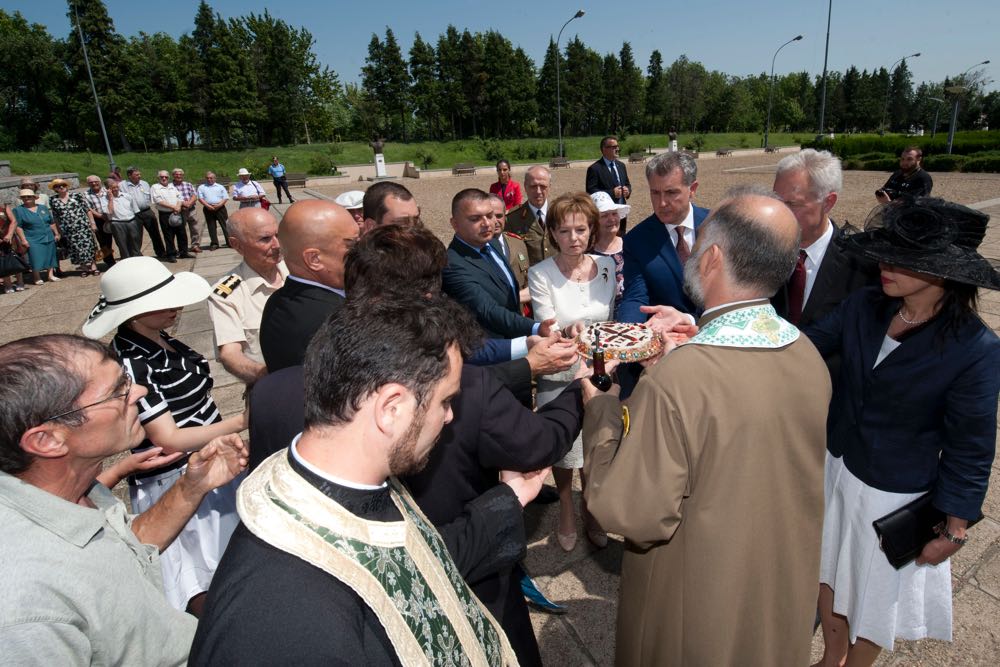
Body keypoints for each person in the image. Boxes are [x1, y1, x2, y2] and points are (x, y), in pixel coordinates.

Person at [244, 224, 581, 665]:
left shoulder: (269, 397)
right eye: (443, 404)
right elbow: (537, 446)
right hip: (469, 587)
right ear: (428, 295)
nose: (448, 414)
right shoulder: (461, 386)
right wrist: (581, 393)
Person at [190, 295, 525, 665]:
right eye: (445, 402)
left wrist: (508, 500)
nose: (448, 418)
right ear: (391, 408)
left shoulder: (349, 480)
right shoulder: (285, 617)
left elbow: (413, 569)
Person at [582, 191, 831, 666]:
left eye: (699, 247)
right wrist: (695, 338)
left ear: (712, 257)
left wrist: (602, 409)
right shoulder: (805, 351)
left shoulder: (678, 381)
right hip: (775, 587)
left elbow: (629, 511)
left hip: (695, 603)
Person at [804, 198, 1000, 667]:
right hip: (838, 464)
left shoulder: (975, 348)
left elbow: (970, 446)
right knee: (827, 569)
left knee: (873, 595)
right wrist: (728, 331)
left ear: (943, 272)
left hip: (893, 492)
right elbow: (802, 343)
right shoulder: (864, 304)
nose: (885, 265)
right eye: (886, 253)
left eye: (903, 259)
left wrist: (954, 529)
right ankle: (831, 658)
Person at [0, 333, 247, 665]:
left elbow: (127, 548)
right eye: (118, 392)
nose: (141, 392)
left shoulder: (71, 490)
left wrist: (192, 487)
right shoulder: (26, 613)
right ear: (47, 440)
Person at [81, 257, 248, 613]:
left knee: (228, 564)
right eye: (161, 305)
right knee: (204, 576)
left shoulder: (154, 337)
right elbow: (167, 437)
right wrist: (240, 422)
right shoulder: (132, 361)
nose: (174, 308)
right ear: (134, 313)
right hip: (178, 475)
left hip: (208, 462)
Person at [529, 192, 616, 552]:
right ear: (552, 233)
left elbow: (615, 320)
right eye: (564, 231)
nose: (574, 237)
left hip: (604, 369)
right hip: (560, 369)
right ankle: (566, 504)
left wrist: (610, 361)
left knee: (598, 445)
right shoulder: (540, 273)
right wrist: (565, 331)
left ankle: (591, 506)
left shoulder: (608, 267)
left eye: (581, 229)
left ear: (592, 230)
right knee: (565, 447)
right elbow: (544, 325)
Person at [772, 149, 878, 329]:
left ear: (828, 202)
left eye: (792, 204)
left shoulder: (862, 267)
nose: (778, 212)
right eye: (775, 200)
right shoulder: (760, 250)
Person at [259, 200, 359, 372]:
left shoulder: (276, 302)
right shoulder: (340, 320)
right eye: (352, 244)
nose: (362, 250)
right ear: (314, 259)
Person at [443, 188, 556, 339]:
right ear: (455, 224)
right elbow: (488, 310)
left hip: (516, 333)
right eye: (475, 219)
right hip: (491, 348)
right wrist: (535, 327)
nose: (487, 223)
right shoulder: (452, 264)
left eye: (490, 216)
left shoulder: (493, 243)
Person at [617, 150, 709, 323]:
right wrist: (628, 333)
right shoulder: (636, 241)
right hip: (669, 338)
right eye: (655, 193)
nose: (662, 203)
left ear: (692, 189)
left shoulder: (719, 226)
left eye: (671, 192)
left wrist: (691, 320)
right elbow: (636, 299)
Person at [208, 207, 287, 384]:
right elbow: (230, 355)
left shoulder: (298, 270)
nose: (277, 245)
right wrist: (271, 379)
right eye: (265, 239)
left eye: (278, 235)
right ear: (237, 245)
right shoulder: (226, 295)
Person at [48, 178, 99, 276]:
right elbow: (55, 216)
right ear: (55, 189)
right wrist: (58, 231)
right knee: (75, 248)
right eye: (58, 186)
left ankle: (93, 266)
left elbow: (87, 210)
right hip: (67, 228)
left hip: (82, 225)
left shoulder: (77, 195)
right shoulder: (53, 199)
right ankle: (84, 267)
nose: (61, 187)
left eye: (63, 185)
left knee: (89, 245)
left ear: (66, 186)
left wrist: (92, 223)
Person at [505, 165, 554, 264]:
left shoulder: (561, 213)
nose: (538, 191)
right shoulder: (512, 219)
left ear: (550, 186)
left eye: (543, 186)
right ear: (525, 186)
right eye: (533, 186)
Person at [490, 194, 531, 309]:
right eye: (490, 216)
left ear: (505, 217)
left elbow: (527, 280)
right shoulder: (477, 249)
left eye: (499, 216)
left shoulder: (518, 243)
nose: (495, 221)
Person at [590, 191, 630, 309]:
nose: (611, 219)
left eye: (614, 213)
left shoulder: (630, 245)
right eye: (604, 215)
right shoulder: (587, 254)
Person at [586, 135, 632, 236]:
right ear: (604, 149)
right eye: (614, 147)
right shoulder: (594, 169)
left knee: (621, 237)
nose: (617, 149)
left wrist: (627, 190)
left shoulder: (621, 166)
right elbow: (590, 191)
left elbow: (627, 183)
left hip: (621, 211)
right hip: (606, 215)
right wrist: (612, 193)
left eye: (617, 146)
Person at [13, 188, 60, 285]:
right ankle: (36, 277)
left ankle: (50, 275)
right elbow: (18, 227)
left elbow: (51, 222)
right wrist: (23, 240)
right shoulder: (18, 210)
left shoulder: (43, 207)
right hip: (32, 237)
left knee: (50, 255)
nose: (26, 198)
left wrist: (56, 233)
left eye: (29, 196)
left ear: (34, 198)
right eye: (24, 197)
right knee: (35, 257)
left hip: (48, 235)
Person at [122, 166, 167, 260]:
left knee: (155, 233)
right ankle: (137, 255)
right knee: (136, 236)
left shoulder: (145, 183)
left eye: (139, 174)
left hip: (147, 211)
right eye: (137, 174)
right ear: (129, 175)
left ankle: (161, 252)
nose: (139, 176)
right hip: (134, 214)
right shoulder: (122, 185)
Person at [150, 170, 190, 261]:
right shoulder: (155, 187)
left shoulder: (172, 187)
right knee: (169, 235)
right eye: (162, 177)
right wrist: (173, 207)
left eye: (166, 177)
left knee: (182, 233)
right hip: (165, 214)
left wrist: (178, 207)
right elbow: (158, 201)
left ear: (168, 178)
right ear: (158, 178)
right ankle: (171, 254)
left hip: (177, 212)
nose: (164, 178)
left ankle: (184, 252)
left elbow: (179, 198)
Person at [105, 177, 144, 259]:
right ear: (108, 189)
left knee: (135, 241)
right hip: (117, 223)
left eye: (116, 187)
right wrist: (111, 199)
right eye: (113, 188)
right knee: (122, 244)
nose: (115, 189)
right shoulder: (105, 199)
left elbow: (135, 209)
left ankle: (137, 258)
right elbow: (110, 212)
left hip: (131, 221)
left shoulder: (127, 196)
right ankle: (126, 259)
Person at [83, 174, 117, 268]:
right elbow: (88, 208)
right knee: (104, 242)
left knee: (118, 239)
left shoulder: (107, 191)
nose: (94, 183)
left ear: (100, 182)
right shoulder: (86, 195)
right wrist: (101, 216)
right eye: (91, 182)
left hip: (113, 217)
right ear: (88, 184)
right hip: (99, 220)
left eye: (96, 181)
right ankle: (109, 261)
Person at [197, 171, 230, 250]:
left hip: (220, 208)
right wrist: (208, 206)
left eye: (211, 178)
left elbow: (225, 197)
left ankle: (229, 242)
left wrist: (219, 205)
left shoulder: (220, 186)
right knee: (211, 226)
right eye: (207, 178)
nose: (209, 179)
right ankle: (214, 243)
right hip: (208, 208)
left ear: (215, 179)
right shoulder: (201, 187)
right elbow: (200, 198)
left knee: (225, 225)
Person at [171, 168, 202, 254]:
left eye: (180, 174)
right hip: (179, 211)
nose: (179, 176)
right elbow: (172, 198)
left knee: (195, 228)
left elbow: (194, 195)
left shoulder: (188, 184)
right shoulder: (170, 186)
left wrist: (189, 203)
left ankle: (195, 245)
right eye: (176, 174)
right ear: (173, 175)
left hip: (191, 209)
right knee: (180, 231)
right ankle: (182, 248)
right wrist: (183, 204)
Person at [1, 202, 28, 293]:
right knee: (2, 262)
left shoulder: (3, 206)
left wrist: (9, 234)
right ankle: (8, 285)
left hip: (9, 237)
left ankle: (20, 282)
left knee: (16, 258)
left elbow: (14, 221)